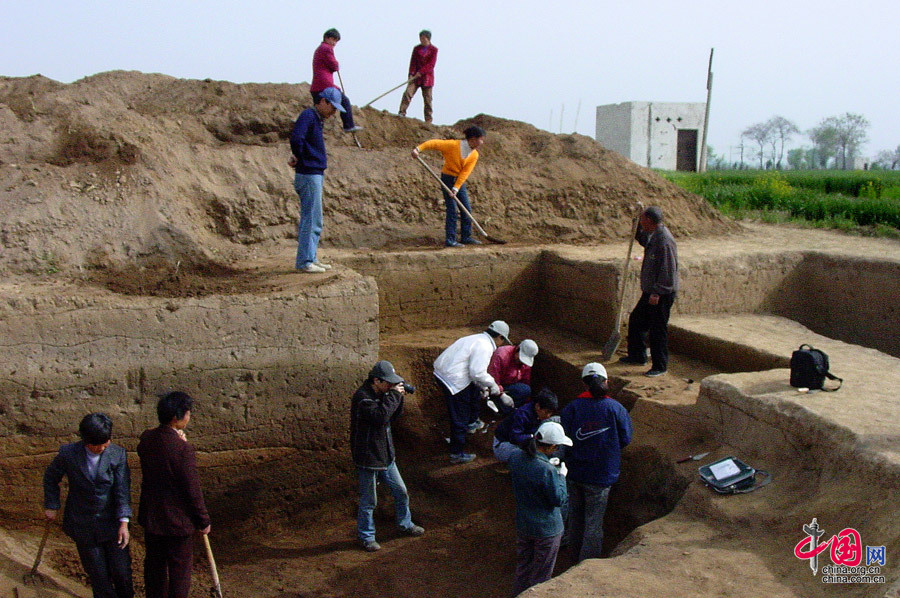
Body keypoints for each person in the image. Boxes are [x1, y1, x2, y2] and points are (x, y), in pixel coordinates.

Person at [43, 413, 134, 598]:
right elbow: (51, 478)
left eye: (105, 442)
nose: (102, 447)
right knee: (99, 576)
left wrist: (124, 523)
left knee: (122, 572)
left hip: (112, 524)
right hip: (83, 524)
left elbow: (122, 491)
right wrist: (52, 504)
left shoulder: (117, 454)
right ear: (85, 441)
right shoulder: (68, 454)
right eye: (97, 445)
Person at [137, 391, 210, 598]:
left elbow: (155, 447)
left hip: (152, 517)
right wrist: (203, 520)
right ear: (177, 417)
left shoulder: (146, 439)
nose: (189, 416)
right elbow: (192, 489)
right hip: (177, 522)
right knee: (179, 572)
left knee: (154, 568)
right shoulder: (183, 450)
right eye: (188, 413)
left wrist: (179, 441)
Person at [560, 363, 632, 562]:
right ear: (606, 381)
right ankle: (586, 565)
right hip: (601, 476)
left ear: (584, 384)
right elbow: (625, 439)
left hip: (574, 472)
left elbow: (562, 439)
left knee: (575, 520)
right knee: (593, 523)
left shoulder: (571, 408)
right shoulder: (616, 409)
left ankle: (572, 557)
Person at [350, 360, 425, 552]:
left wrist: (398, 397)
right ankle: (366, 537)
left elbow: (392, 416)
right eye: (388, 382)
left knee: (401, 491)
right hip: (368, 458)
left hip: (386, 455)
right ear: (376, 380)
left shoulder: (383, 394)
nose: (391, 386)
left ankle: (404, 523)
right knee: (369, 501)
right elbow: (380, 417)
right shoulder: (362, 398)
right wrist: (393, 395)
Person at [507, 421, 571, 595]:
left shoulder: (515, 456)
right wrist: (561, 476)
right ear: (550, 447)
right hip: (547, 528)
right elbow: (559, 499)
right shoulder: (547, 470)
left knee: (523, 568)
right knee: (541, 575)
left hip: (524, 523)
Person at [433, 320, 510, 463]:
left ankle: (471, 422)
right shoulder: (485, 346)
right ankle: (456, 453)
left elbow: (473, 371)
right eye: (503, 340)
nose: (502, 343)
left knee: (474, 391)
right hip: (453, 380)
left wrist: (482, 386)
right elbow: (477, 372)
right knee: (459, 416)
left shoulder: (475, 338)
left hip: (444, 372)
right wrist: (493, 387)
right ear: (499, 337)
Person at [290, 87, 345, 273]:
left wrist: (299, 156)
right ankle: (305, 261)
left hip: (313, 173)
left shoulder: (316, 118)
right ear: (323, 102)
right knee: (311, 219)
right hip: (309, 173)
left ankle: (311, 257)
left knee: (315, 219)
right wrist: (300, 156)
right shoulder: (308, 116)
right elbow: (297, 138)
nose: (334, 112)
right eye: (333, 107)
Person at [619, 206, 679, 376]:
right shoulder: (653, 235)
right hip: (652, 290)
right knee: (637, 320)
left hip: (661, 293)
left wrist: (657, 293)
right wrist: (635, 226)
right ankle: (637, 356)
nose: (641, 222)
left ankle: (660, 366)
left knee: (657, 328)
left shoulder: (664, 241)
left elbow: (667, 270)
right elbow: (643, 239)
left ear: (650, 221)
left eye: (642, 220)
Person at [411, 126, 486, 247]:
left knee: (466, 208)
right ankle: (450, 240)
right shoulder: (453, 145)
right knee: (452, 210)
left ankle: (466, 237)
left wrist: (456, 188)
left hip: (459, 182)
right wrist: (418, 149)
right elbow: (434, 143)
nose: (482, 142)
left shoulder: (474, 155)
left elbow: (465, 172)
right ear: (472, 139)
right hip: (447, 178)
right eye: (480, 139)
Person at [310, 28, 361, 133]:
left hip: (316, 86)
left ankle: (314, 132)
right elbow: (334, 65)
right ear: (327, 38)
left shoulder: (320, 48)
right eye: (333, 40)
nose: (334, 43)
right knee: (345, 101)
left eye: (336, 41)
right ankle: (348, 125)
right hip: (324, 85)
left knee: (319, 114)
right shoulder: (326, 48)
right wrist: (337, 64)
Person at [492, 388, 558, 463]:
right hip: (502, 445)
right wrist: (532, 437)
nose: (548, 416)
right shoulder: (522, 414)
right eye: (547, 412)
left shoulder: (538, 414)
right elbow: (515, 437)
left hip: (520, 443)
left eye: (551, 413)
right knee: (532, 457)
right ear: (538, 406)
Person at [487, 339, 539, 412]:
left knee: (525, 390)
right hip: (494, 386)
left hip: (509, 387)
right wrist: (501, 394)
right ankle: (493, 404)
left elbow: (525, 381)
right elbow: (492, 378)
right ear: (517, 349)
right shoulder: (501, 355)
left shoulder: (525, 364)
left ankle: (503, 409)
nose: (521, 361)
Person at [398, 30, 438, 123]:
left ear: (428, 38)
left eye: (423, 38)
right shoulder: (416, 49)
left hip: (427, 78)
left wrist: (421, 72)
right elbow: (413, 62)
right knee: (408, 93)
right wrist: (411, 73)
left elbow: (431, 65)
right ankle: (401, 112)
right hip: (415, 77)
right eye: (420, 38)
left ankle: (428, 120)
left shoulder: (434, 50)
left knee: (427, 99)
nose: (421, 39)